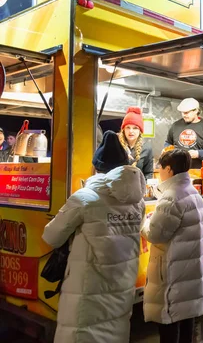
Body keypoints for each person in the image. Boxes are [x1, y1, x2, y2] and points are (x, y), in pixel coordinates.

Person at [42, 131, 146, 343]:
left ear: (96, 167)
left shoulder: (85, 198)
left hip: (87, 294)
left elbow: (51, 236)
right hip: (121, 289)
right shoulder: (138, 202)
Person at [142, 149, 203, 343]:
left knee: (169, 330)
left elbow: (155, 233)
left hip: (172, 277)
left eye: (160, 168)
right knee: (186, 327)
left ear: (169, 170)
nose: (158, 172)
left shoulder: (172, 196)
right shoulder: (192, 192)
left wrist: (144, 222)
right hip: (189, 275)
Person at [165, 98, 203, 169]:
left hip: (198, 171)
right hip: (176, 170)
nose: (184, 115)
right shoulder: (175, 126)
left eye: (187, 112)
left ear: (196, 110)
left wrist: (198, 154)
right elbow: (168, 143)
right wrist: (166, 149)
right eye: (182, 112)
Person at [118, 106, 154, 179]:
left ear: (140, 131)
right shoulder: (116, 145)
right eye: (128, 127)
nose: (131, 131)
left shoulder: (147, 148)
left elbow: (148, 173)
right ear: (123, 130)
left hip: (138, 189)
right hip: (118, 188)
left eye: (135, 128)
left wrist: (143, 188)